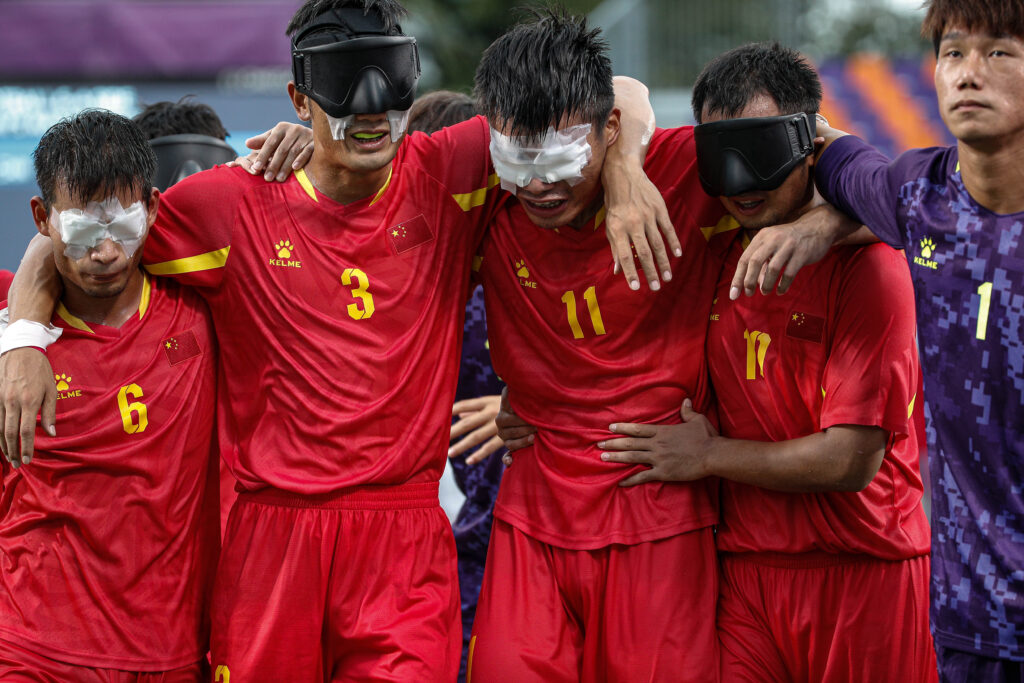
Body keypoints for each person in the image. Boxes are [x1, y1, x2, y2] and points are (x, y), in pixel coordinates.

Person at [0, 2, 665, 680]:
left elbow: (620, 94)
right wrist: (22, 338)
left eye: (387, 91)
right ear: (300, 97)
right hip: (273, 543)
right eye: (346, 94)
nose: (372, 113)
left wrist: (627, 170)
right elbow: (81, 236)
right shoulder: (229, 205)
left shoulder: (452, 172)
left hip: (402, 544)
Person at [599, 43, 936, 681]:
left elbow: (849, 460)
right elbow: (618, 92)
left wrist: (707, 456)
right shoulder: (715, 246)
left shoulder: (871, 270)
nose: (739, 183)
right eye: (720, 156)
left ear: (809, 143)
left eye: (758, 153)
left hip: (864, 575)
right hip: (747, 578)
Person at [726, 2, 1024, 678]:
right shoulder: (921, 197)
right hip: (968, 625)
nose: (970, 73)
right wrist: (825, 225)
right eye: (953, 52)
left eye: (1000, 52)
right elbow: (826, 145)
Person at [465, 12, 742, 681]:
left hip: (656, 509)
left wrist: (628, 166)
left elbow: (843, 172)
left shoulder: (679, 172)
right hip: (532, 510)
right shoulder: (479, 187)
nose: (536, 186)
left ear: (608, 129)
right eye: (517, 162)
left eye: (560, 161)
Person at [0, 110, 218, 681]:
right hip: (33, 651)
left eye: (121, 226)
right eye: (82, 231)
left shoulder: (209, 311)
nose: (105, 253)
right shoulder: (6, 324)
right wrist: (19, 336)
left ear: (150, 207)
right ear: (42, 219)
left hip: (173, 653)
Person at [406, 89, 506, 683]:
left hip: (504, 538)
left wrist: (523, 408)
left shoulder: (513, 258)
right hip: (436, 547)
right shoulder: (410, 271)